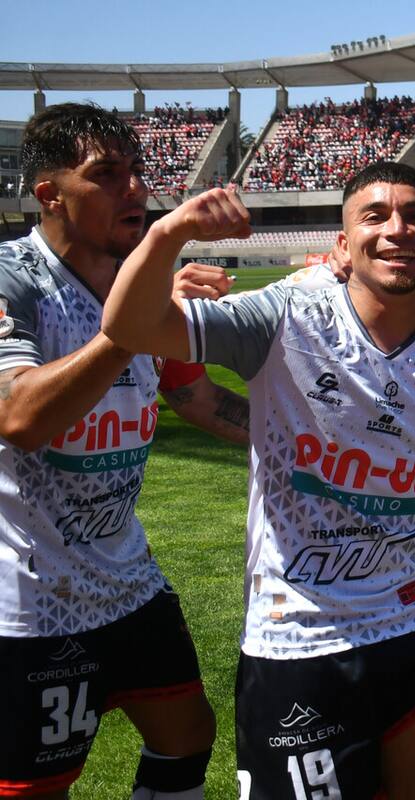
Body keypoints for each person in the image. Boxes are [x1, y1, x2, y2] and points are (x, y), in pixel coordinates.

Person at [100, 162, 415, 800]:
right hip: (298, 636)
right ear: (342, 243)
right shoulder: (285, 316)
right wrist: (169, 234)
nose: (398, 229)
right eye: (375, 215)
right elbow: (131, 326)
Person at [0, 103, 217, 799]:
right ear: (49, 194)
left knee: (188, 735)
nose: (135, 190)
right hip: (34, 597)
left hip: (127, 578)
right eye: (107, 175)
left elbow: (199, 400)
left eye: (137, 172)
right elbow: (20, 416)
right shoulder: (15, 278)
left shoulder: (137, 274)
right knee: (37, 788)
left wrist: (312, 439)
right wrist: (129, 327)